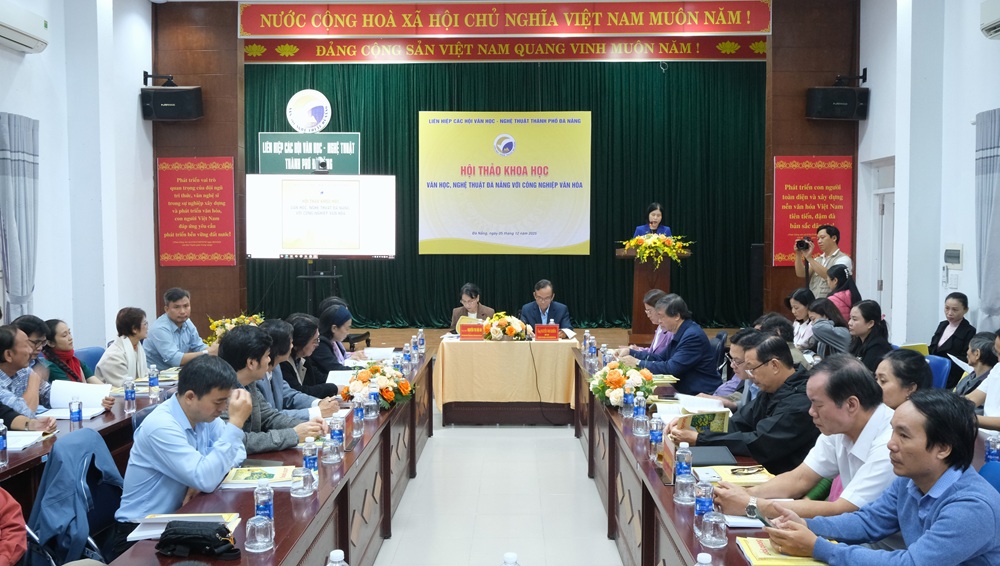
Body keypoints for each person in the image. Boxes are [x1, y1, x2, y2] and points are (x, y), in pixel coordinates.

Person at [764, 389, 1000, 565]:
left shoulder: (972, 507)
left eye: (904, 436)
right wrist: (807, 525)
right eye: (893, 431)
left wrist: (818, 547)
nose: (890, 444)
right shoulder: (910, 480)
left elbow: (912, 564)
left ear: (943, 448)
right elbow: (868, 522)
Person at [715, 354, 894, 521]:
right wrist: (745, 494)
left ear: (851, 404)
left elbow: (844, 509)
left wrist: (751, 505)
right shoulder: (840, 427)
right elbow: (799, 479)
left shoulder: (890, 444)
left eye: (818, 405)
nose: (811, 412)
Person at [109, 355, 252, 560]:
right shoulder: (161, 426)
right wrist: (235, 424)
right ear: (190, 396)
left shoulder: (205, 415)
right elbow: (207, 477)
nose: (223, 409)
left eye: (226, 401)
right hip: (139, 534)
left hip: (179, 519)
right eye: (218, 402)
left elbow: (238, 452)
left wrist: (201, 478)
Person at [667, 336, 819, 474]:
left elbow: (760, 442)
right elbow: (738, 422)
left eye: (752, 369)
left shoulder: (801, 400)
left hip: (781, 477)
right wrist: (692, 424)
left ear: (774, 365)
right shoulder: (773, 389)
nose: (750, 377)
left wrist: (700, 438)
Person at [217, 325, 326, 454]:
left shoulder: (249, 384)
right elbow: (239, 441)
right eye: (267, 356)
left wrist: (309, 426)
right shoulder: (220, 392)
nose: (269, 360)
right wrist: (293, 434)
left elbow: (269, 417)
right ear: (251, 363)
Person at [620, 294, 721, 395]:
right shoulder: (682, 331)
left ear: (676, 316)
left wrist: (637, 363)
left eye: (662, 317)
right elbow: (660, 357)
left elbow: (671, 368)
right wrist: (631, 352)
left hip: (700, 395)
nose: (659, 321)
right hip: (684, 390)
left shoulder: (692, 336)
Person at [256, 319, 339, 421]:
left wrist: (319, 403)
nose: (292, 346)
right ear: (279, 346)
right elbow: (270, 416)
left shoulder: (276, 367)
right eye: (291, 342)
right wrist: (317, 411)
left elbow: (289, 395)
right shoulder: (255, 377)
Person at [144, 287, 217, 370]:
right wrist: (208, 352)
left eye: (186, 306)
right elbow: (174, 359)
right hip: (156, 375)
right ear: (166, 309)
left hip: (177, 373)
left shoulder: (187, 322)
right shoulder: (160, 328)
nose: (182, 311)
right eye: (176, 307)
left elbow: (198, 346)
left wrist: (214, 351)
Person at [697, 328, 765, 411]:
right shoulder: (748, 378)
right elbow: (747, 408)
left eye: (737, 361)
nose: (732, 365)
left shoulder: (768, 386)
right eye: (731, 359)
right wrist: (732, 405)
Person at [280, 314, 341, 398]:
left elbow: (318, 378)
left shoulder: (303, 356)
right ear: (299, 342)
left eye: (318, 339)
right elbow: (299, 392)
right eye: (314, 341)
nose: (317, 344)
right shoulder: (283, 363)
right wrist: (333, 388)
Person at [927, 292, 976, 389]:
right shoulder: (943, 325)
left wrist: (944, 363)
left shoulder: (969, 331)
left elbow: (966, 358)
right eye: (947, 308)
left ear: (965, 310)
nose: (949, 313)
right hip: (932, 370)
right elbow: (933, 348)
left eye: (955, 310)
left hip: (952, 375)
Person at [0, 324, 48, 417]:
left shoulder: (23, 370)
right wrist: (34, 382)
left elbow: (49, 394)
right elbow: (22, 415)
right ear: (8, 355)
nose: (31, 351)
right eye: (26, 346)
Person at [94, 307, 150, 387]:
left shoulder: (136, 346)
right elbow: (123, 386)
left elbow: (145, 374)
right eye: (145, 324)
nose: (147, 327)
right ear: (134, 329)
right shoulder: (114, 356)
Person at [793, 224, 852, 299]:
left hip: (831, 302)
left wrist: (809, 258)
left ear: (834, 238)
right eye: (818, 239)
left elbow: (830, 276)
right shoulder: (818, 260)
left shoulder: (843, 259)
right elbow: (801, 274)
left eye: (822, 237)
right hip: (814, 302)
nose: (819, 241)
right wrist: (798, 255)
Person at [41, 319, 102, 384]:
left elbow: (100, 385)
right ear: (50, 343)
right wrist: (84, 383)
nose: (70, 338)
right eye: (64, 335)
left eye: (69, 333)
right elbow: (72, 389)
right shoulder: (50, 367)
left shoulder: (75, 361)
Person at [311, 304, 366, 374]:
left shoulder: (334, 340)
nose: (348, 333)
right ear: (334, 328)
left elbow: (342, 357)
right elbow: (337, 369)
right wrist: (365, 368)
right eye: (347, 328)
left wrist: (352, 355)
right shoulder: (321, 344)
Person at [618, 289, 670, 360]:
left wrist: (636, 360)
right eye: (646, 311)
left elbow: (661, 358)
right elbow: (652, 352)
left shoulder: (670, 331)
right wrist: (635, 349)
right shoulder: (660, 327)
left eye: (649, 311)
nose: (648, 315)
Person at [848, 300, 892, 373]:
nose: (849, 323)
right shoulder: (857, 343)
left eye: (854, 319)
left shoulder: (878, 348)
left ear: (870, 323)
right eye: (850, 318)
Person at [955, 332, 997, 406]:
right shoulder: (971, 375)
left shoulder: (990, 385)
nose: (967, 352)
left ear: (977, 354)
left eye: (969, 348)